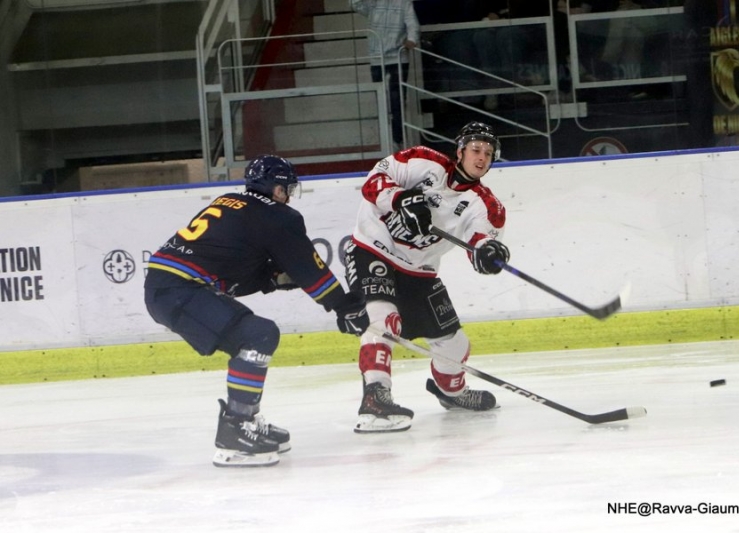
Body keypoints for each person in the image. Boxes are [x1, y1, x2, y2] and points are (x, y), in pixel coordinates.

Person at [143, 155, 369, 467]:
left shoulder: (230, 201)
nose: (289, 196)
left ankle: (245, 419)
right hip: (179, 289)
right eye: (287, 188)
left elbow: (232, 264)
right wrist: (343, 306)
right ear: (276, 189)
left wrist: (270, 278)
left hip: (166, 286)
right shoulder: (279, 216)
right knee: (259, 335)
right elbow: (309, 268)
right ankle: (235, 430)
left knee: (253, 335)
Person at [344, 121, 511, 433]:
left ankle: (452, 393)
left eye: (488, 153)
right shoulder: (424, 161)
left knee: (453, 343)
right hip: (372, 249)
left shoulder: (486, 205)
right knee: (383, 321)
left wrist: (488, 253)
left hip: (419, 270)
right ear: (460, 151)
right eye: (476, 149)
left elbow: (480, 241)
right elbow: (373, 182)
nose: (482, 157)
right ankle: (375, 398)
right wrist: (400, 199)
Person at [350, 0, 420, 150]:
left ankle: (397, 141)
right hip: (377, 58)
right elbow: (355, 5)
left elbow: (412, 23)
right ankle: (389, 140)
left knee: (397, 101)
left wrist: (411, 40)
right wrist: (412, 39)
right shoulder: (373, 2)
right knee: (383, 102)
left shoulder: (403, 2)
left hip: (398, 57)